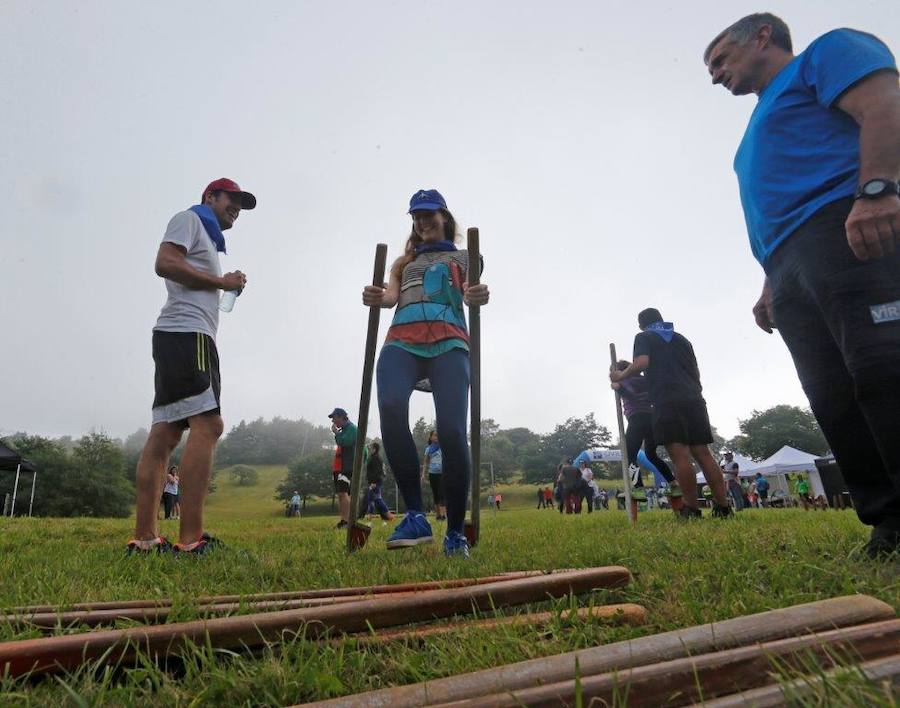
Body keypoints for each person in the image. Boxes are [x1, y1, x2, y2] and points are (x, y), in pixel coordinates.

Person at [703, 14, 900, 556]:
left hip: (847, 226)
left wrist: (878, 190)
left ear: (762, 36)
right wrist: (771, 281)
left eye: (720, 59)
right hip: (789, 262)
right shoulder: (756, 125)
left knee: (884, 370)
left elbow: (884, 101)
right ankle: (888, 523)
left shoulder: (827, 53)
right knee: (832, 395)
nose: (715, 74)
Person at [127, 178, 255, 555]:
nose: (237, 208)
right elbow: (164, 263)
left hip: (177, 336)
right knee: (208, 425)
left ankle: (146, 539)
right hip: (188, 335)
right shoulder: (190, 219)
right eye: (232, 199)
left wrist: (222, 284)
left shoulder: (206, 236)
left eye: (242, 205)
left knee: (165, 433)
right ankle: (191, 541)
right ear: (210, 197)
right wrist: (220, 280)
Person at [362, 189, 489, 558]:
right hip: (400, 343)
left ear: (444, 217)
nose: (422, 222)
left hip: (449, 345)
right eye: (416, 217)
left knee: (451, 430)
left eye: (429, 214)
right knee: (389, 406)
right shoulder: (404, 262)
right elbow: (390, 296)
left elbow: (470, 291)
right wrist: (376, 296)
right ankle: (416, 515)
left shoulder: (466, 255)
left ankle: (454, 533)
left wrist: (477, 294)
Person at [610, 308, 731, 519]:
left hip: (666, 399)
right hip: (694, 397)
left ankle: (691, 509)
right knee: (703, 453)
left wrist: (621, 375)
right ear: (661, 319)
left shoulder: (644, 336)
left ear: (641, 325)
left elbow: (641, 364)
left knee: (680, 454)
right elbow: (695, 369)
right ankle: (723, 507)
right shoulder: (682, 339)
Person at [611, 361, 676, 493]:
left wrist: (618, 387)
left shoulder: (627, 381)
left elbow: (630, 395)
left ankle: (639, 488)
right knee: (651, 454)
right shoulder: (645, 380)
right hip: (652, 418)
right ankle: (673, 482)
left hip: (637, 418)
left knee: (629, 456)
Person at [329, 407, 357, 529]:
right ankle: (344, 520)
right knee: (341, 494)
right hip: (341, 466)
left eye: (334, 418)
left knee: (343, 492)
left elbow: (345, 442)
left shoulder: (351, 429)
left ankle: (347, 521)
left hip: (347, 467)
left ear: (341, 417)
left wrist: (336, 433)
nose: (333, 421)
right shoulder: (345, 429)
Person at [422, 431, 447, 521]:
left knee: (442, 493)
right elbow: (425, 462)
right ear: (431, 437)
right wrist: (423, 475)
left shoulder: (442, 447)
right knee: (435, 494)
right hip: (432, 473)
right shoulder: (428, 449)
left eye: (438, 435)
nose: (436, 437)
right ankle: (438, 515)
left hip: (442, 473)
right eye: (435, 435)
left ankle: (443, 514)